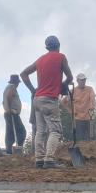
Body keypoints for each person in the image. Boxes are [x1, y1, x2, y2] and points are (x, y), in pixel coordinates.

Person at [20, 35, 74, 169]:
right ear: (58, 45)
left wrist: (33, 90)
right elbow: (70, 77)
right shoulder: (61, 57)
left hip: (37, 99)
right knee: (56, 131)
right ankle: (49, 160)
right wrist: (62, 85)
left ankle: (39, 159)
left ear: (47, 47)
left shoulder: (40, 59)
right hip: (50, 100)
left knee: (40, 131)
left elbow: (23, 74)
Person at [62, 73, 96, 141]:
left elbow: (92, 98)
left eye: (84, 80)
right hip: (78, 119)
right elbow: (63, 102)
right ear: (77, 81)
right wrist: (71, 111)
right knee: (80, 139)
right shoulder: (73, 91)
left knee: (92, 137)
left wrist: (93, 106)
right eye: (81, 80)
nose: (83, 81)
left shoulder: (90, 89)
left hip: (89, 117)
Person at [2, 74, 27, 154]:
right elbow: (9, 97)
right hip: (12, 113)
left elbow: (4, 101)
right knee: (22, 132)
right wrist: (9, 109)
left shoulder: (8, 87)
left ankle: (9, 151)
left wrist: (7, 109)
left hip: (9, 113)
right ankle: (18, 149)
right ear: (16, 82)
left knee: (10, 133)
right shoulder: (12, 87)